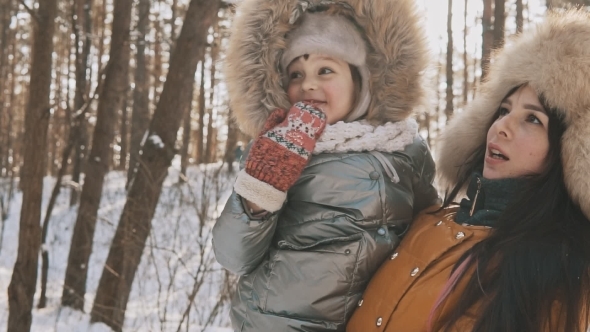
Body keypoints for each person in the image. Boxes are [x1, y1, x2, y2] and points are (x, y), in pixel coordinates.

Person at [346, 10, 590, 332]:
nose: (502, 126)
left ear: (568, 154)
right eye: (504, 110)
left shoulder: (558, 274)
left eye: (533, 119)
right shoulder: (427, 220)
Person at [212, 0, 439, 331]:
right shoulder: (276, 148)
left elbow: (426, 236)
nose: (308, 85)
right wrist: (260, 190)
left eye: (325, 70)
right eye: (296, 74)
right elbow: (233, 256)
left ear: (360, 81)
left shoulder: (404, 151)